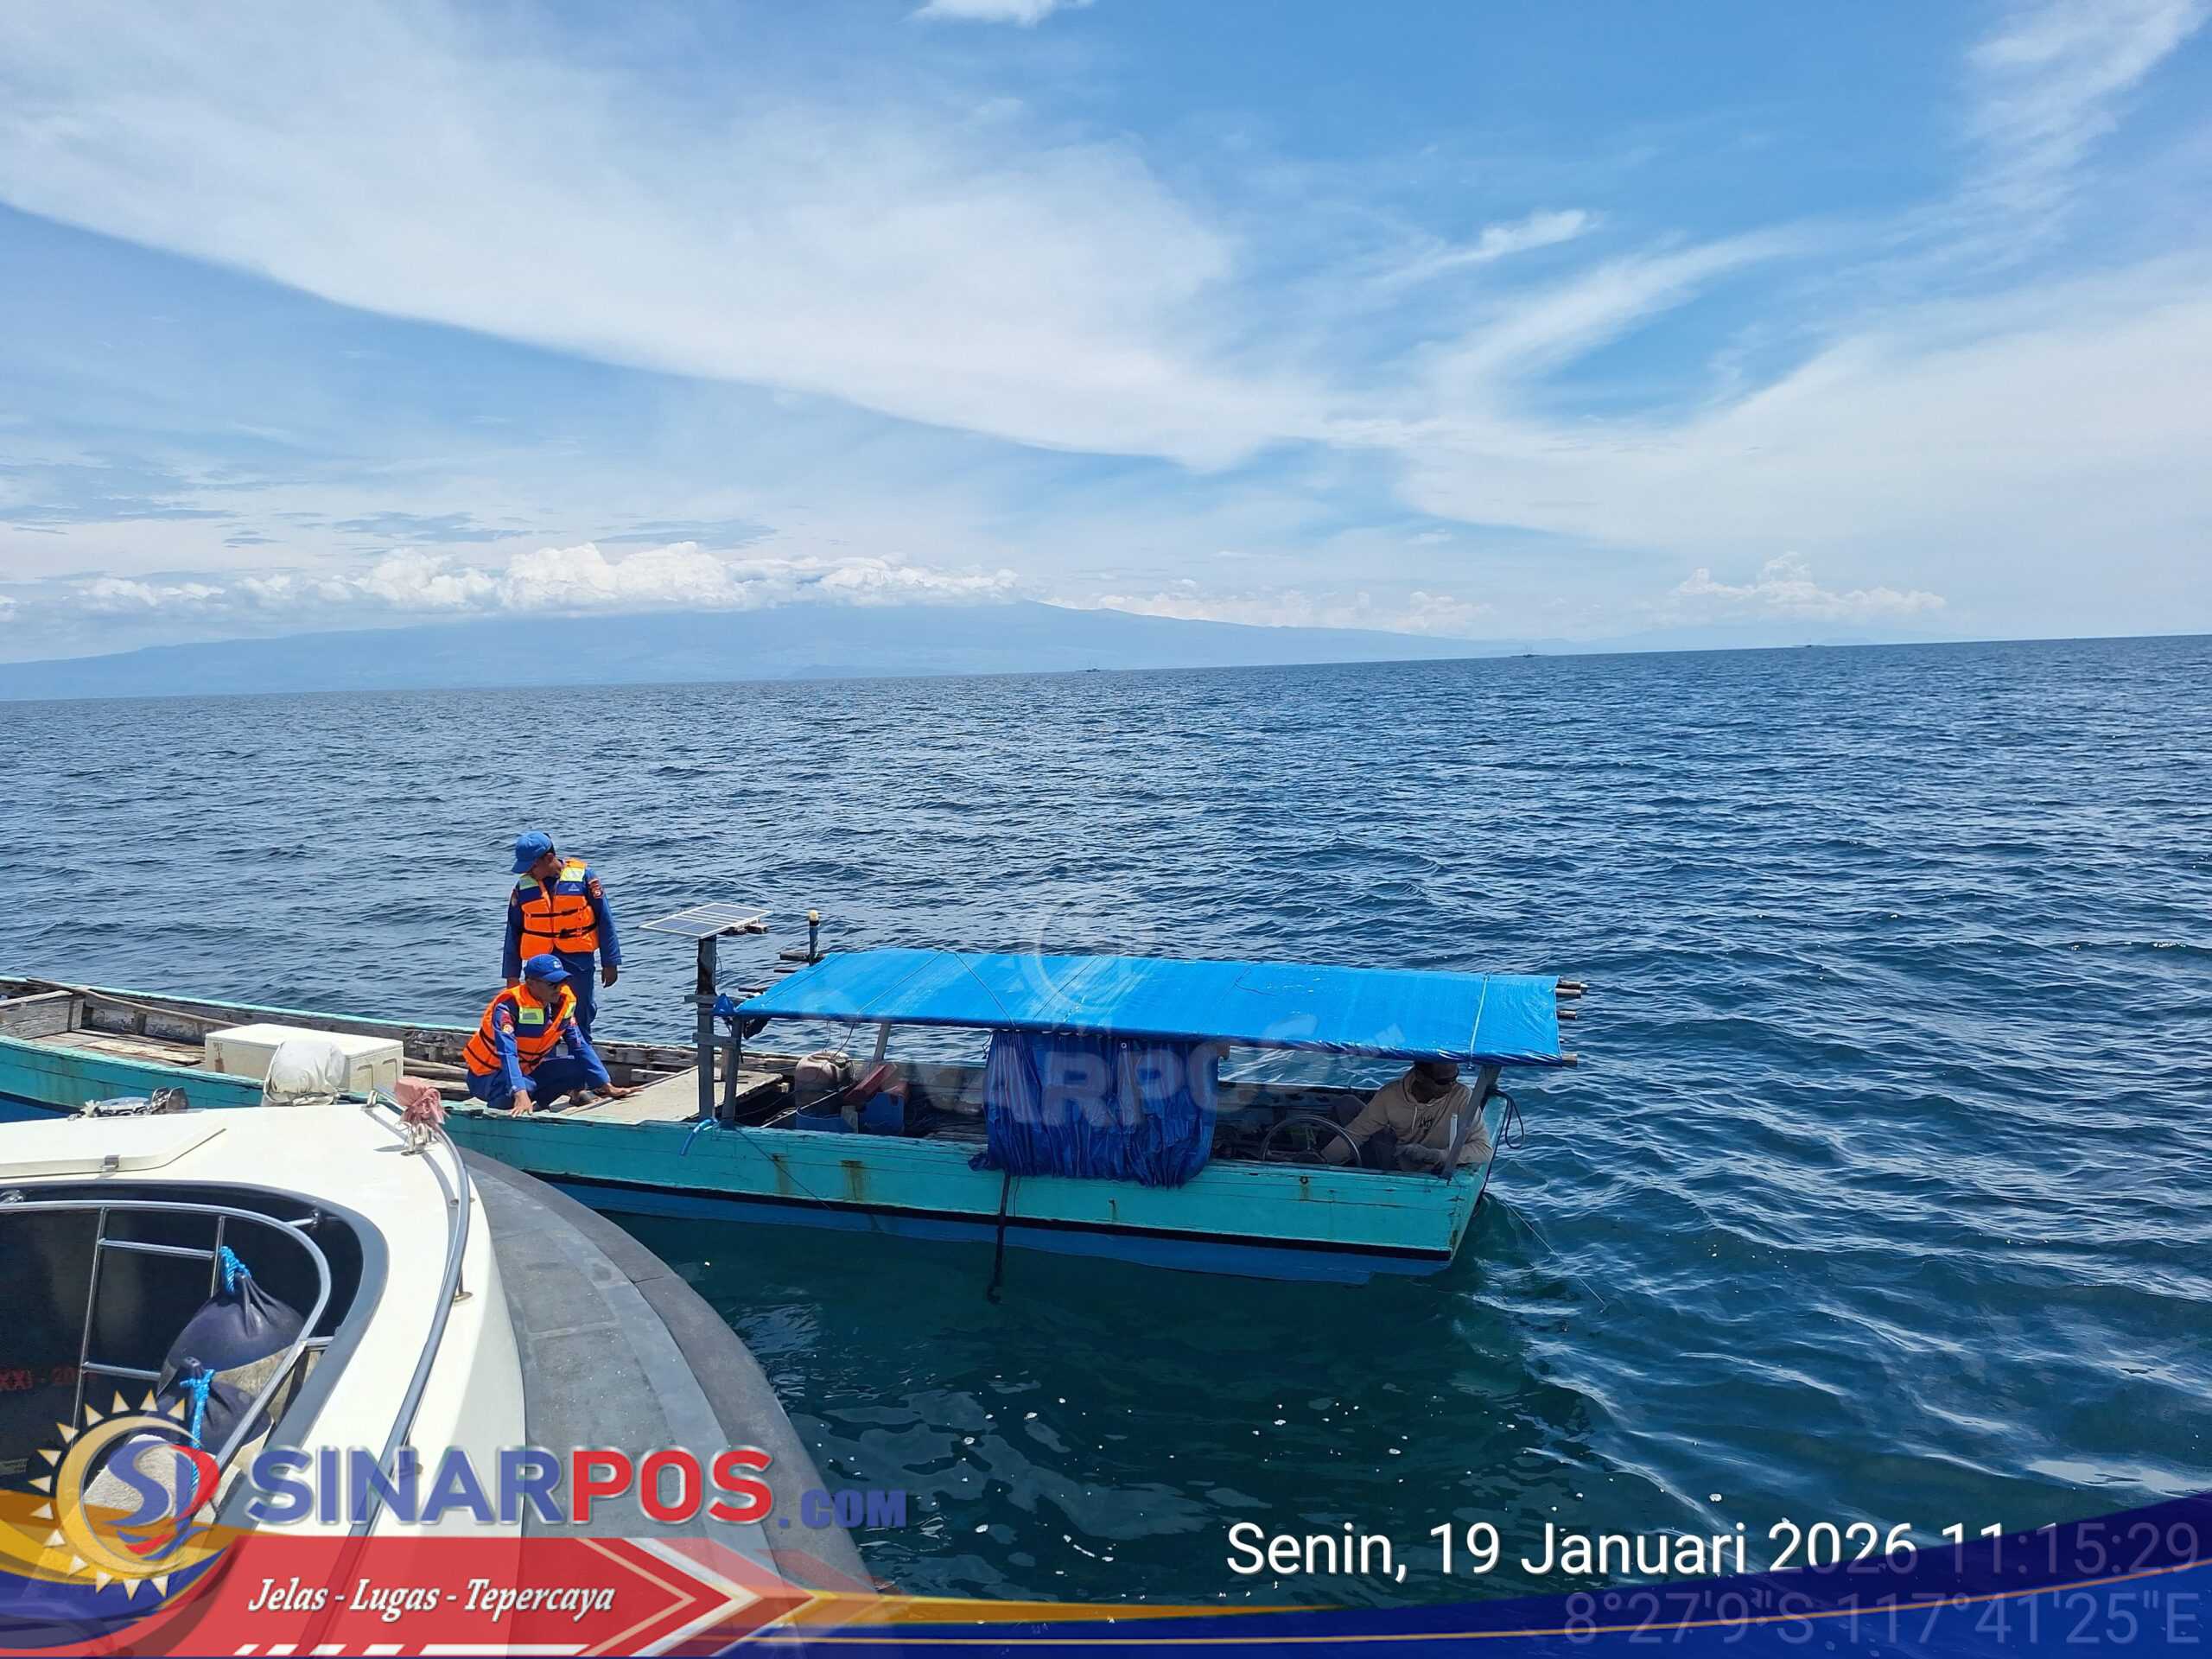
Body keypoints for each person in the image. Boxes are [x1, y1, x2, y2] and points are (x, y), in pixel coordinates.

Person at [461, 955, 629, 1115]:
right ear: (530, 983)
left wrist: (607, 1085)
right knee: (523, 1088)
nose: (559, 988)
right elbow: (507, 1053)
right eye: (552, 984)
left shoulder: (562, 1004)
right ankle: (503, 1110)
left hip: (526, 1070)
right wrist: (519, 1092)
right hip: (487, 1077)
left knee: (581, 1069)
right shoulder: (508, 1007)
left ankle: (538, 1106)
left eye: (562, 982)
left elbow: (580, 1045)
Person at [503, 831, 620, 1042]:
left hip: (578, 961)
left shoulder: (584, 877)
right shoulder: (523, 888)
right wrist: (512, 975)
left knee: (580, 1010)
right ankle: (543, 1055)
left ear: (548, 858)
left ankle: (582, 1053)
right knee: (539, 1016)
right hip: (540, 966)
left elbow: (605, 919)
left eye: (532, 866)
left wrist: (610, 962)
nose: (528, 872)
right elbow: (513, 933)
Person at [1323, 1059, 1490, 1172]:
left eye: (1455, 1077)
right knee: (1346, 1103)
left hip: (1438, 1170)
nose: (1452, 1086)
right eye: (1443, 1082)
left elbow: (1484, 1150)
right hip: (1397, 1163)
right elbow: (1357, 1133)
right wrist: (1323, 1160)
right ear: (1420, 1076)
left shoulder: (1462, 1096)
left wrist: (1437, 1155)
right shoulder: (1390, 1095)